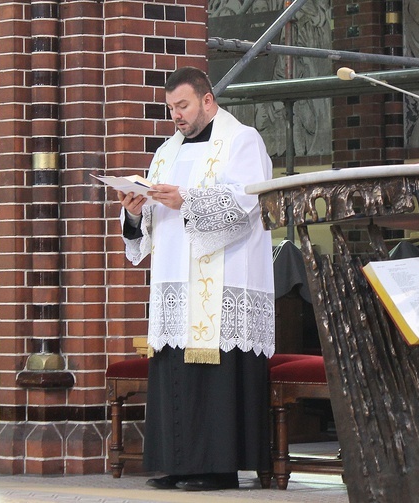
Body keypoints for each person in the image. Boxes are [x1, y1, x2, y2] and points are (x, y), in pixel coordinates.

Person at [117, 66, 275, 491]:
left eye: (182, 105)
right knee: (175, 373)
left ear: (208, 100)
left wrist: (187, 199)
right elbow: (147, 225)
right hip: (174, 280)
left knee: (215, 378)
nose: (176, 116)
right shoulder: (166, 151)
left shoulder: (242, 140)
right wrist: (134, 210)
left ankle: (219, 467)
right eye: (171, 108)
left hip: (224, 281)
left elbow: (246, 202)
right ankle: (181, 464)